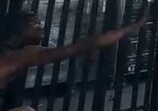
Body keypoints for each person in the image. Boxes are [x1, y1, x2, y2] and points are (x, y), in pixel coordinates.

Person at [1, 12, 147, 109]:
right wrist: (130, 28)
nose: (41, 28)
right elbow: (78, 47)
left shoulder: (17, 55)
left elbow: (79, 47)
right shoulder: (15, 58)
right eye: (34, 24)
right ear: (17, 29)